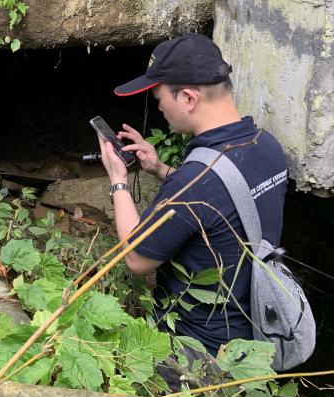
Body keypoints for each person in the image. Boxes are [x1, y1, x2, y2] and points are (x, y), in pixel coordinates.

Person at [96, 33, 287, 358]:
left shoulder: (194, 182)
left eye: (159, 97)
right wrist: (159, 168)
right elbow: (225, 199)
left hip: (199, 354)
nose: (158, 106)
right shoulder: (266, 145)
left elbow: (136, 258)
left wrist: (119, 181)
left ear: (187, 98)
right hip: (256, 337)